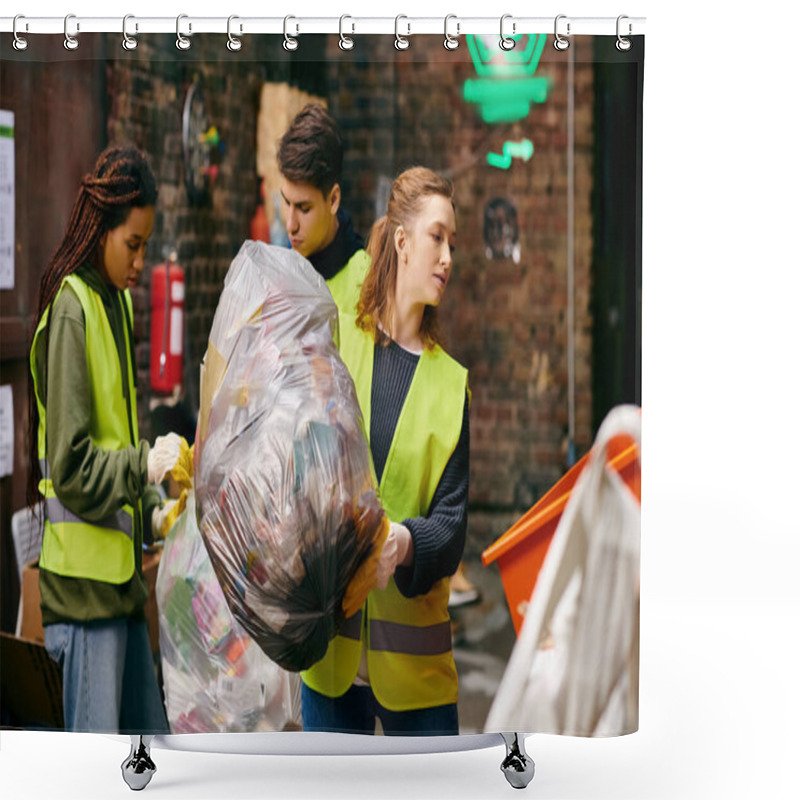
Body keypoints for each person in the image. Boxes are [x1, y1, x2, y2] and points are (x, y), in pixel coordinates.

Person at [301, 167, 470, 736]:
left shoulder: (451, 386)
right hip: (330, 666)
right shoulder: (341, 344)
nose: (448, 256)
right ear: (401, 240)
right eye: (437, 237)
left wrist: (405, 542)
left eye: (453, 242)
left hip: (417, 680)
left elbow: (451, 526)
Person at [27, 144, 182, 733]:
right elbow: (70, 467)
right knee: (97, 778)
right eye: (132, 244)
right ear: (100, 231)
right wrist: (143, 467)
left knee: (152, 760)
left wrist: (155, 513)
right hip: (82, 602)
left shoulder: (114, 305)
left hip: (118, 592)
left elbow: (119, 439)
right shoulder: (72, 310)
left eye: (145, 245)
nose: (140, 261)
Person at [277, 103, 370, 313]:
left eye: (304, 208)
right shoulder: (280, 277)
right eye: (286, 202)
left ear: (333, 200)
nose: (291, 225)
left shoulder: (368, 288)